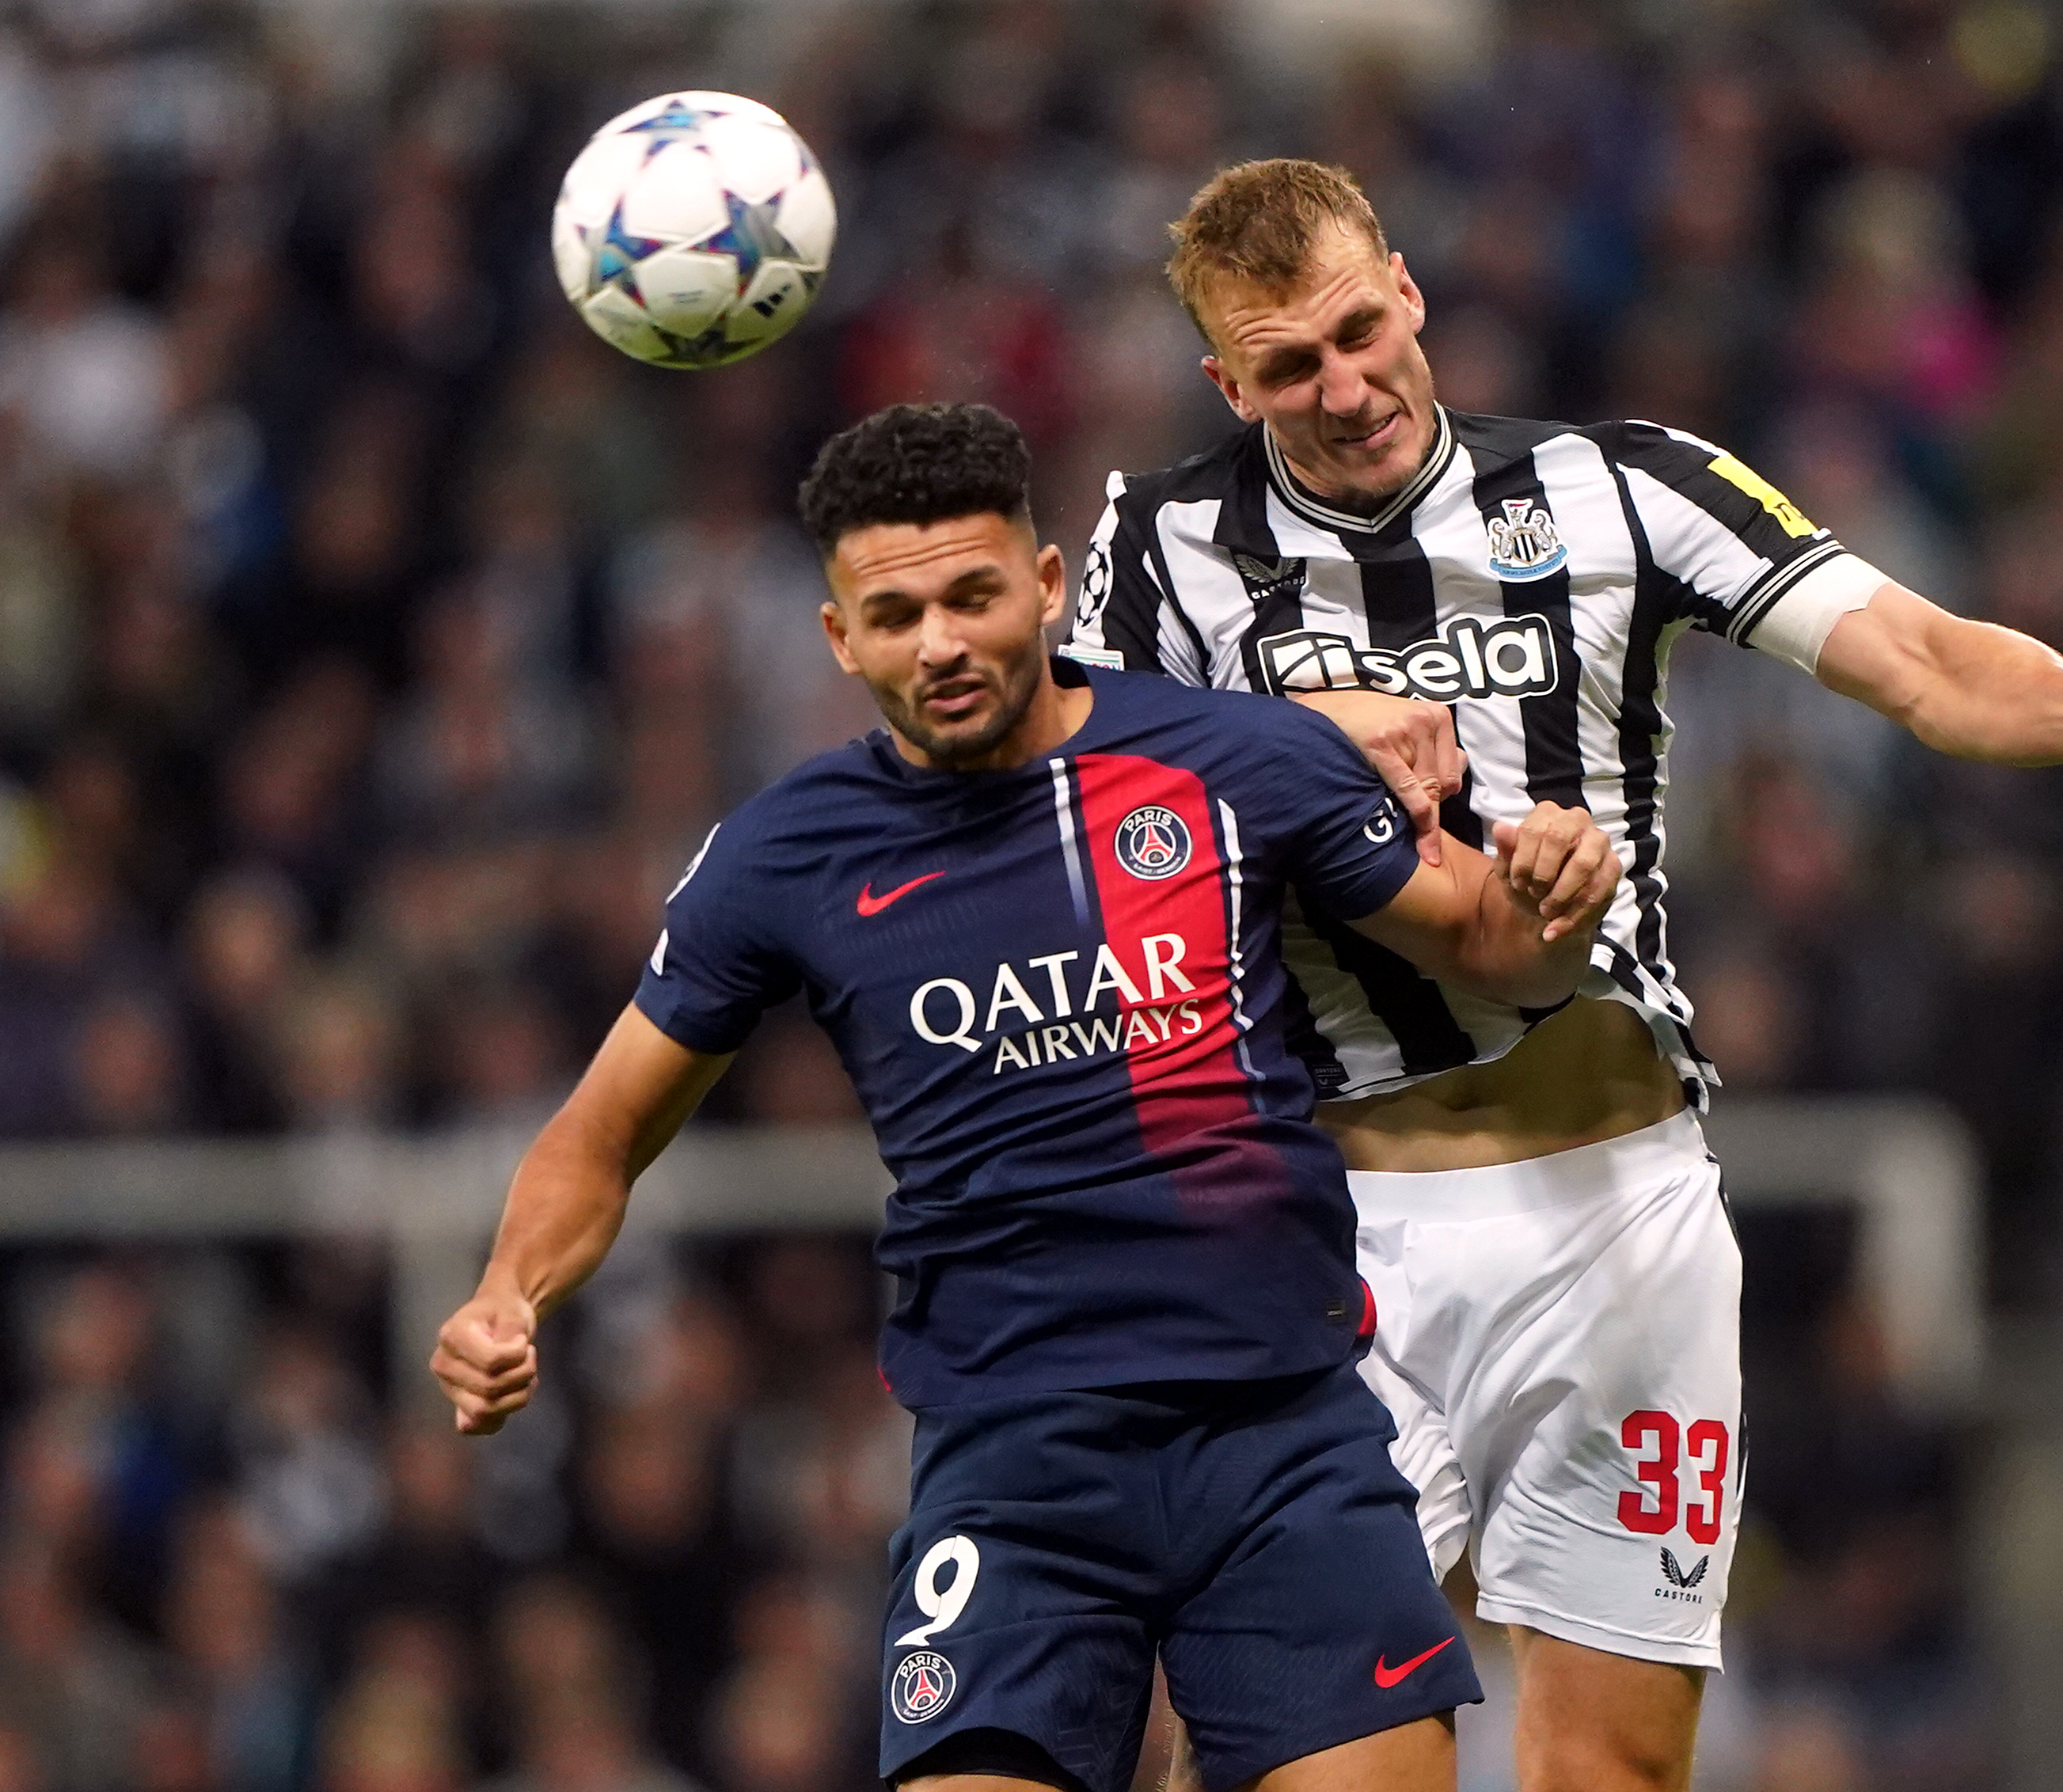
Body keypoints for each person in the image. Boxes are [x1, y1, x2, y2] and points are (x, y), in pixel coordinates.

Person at [1069, 160, 2063, 1792]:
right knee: (1282, 1764)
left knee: (1613, 1774)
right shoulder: (1160, 541)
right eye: (1288, 368)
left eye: (1358, 331)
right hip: (1328, 1241)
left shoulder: (1627, 486)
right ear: (1227, 382)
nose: (1344, 391)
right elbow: (1059, 792)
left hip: (1618, 1218)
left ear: (1407, 291)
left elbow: (1913, 652)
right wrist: (1307, 735)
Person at [429, 401, 1633, 1792]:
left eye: (971, 595)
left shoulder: (1232, 762)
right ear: (839, 638)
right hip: (1017, 1466)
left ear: (1048, 586)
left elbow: (1481, 940)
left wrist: (1552, 895)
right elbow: (602, 1128)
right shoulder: (784, 857)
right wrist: (509, 1290)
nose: (939, 643)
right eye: (894, 615)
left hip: (1285, 1434)